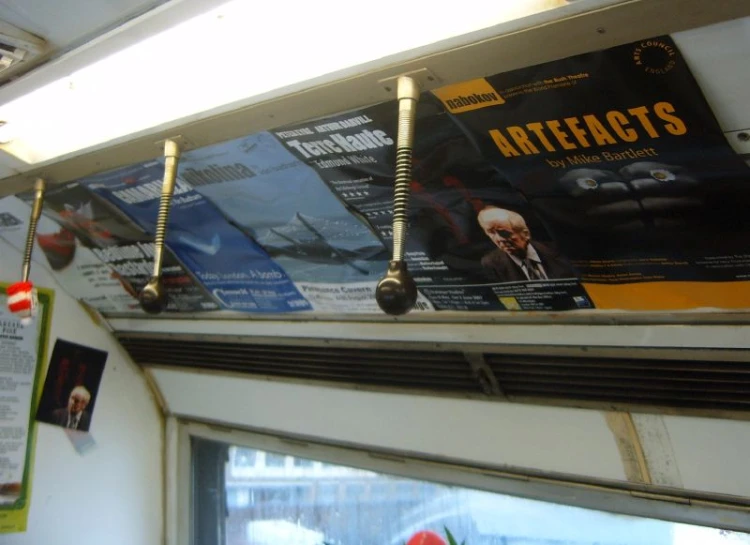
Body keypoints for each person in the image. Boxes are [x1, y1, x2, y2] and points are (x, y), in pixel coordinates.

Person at [477, 206, 576, 282]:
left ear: (525, 234)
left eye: (504, 233)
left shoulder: (558, 250)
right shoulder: (490, 264)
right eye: (491, 233)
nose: (499, 239)